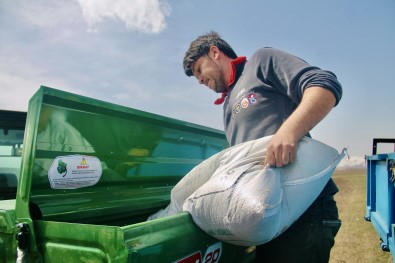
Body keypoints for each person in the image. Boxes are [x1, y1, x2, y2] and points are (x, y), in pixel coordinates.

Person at [183, 31, 343, 263]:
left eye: (199, 70)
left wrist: (289, 132)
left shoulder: (260, 61)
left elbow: (324, 84)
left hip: (303, 214)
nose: (199, 80)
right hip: (267, 219)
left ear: (215, 52)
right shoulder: (228, 104)